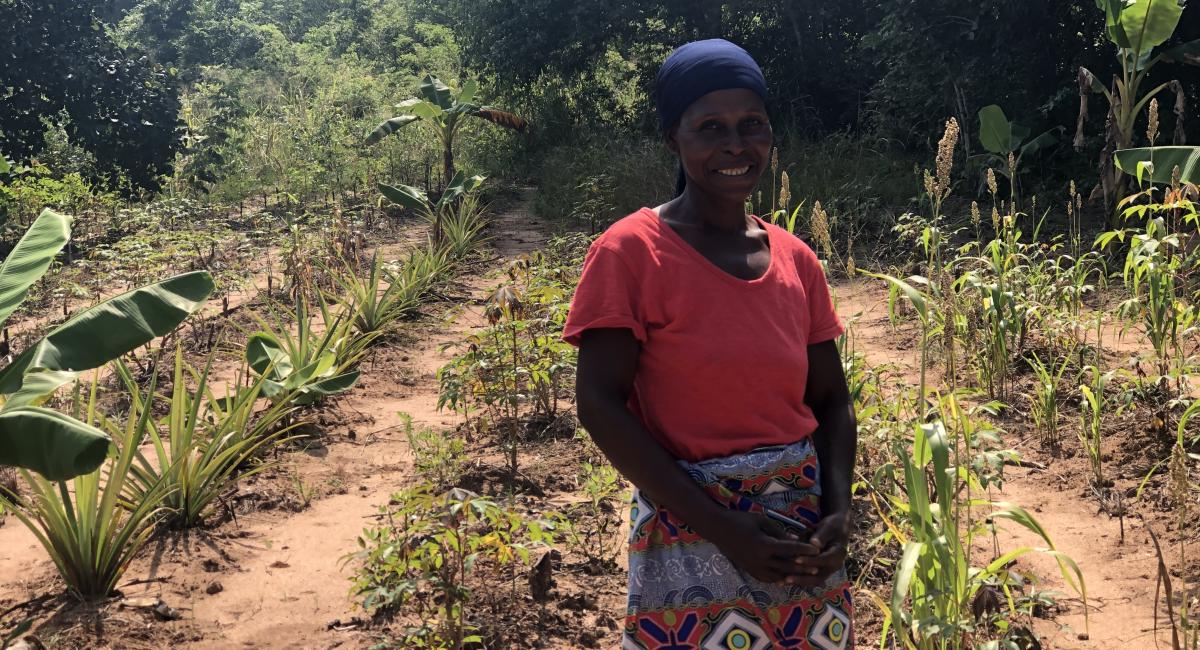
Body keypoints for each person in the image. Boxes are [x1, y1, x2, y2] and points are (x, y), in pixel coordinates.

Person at [562, 39, 856, 649]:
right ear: (674, 139)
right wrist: (722, 526)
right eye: (710, 128)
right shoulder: (630, 253)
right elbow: (599, 406)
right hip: (690, 521)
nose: (735, 145)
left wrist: (836, 512)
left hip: (796, 529)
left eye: (752, 126)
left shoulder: (795, 260)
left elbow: (832, 401)